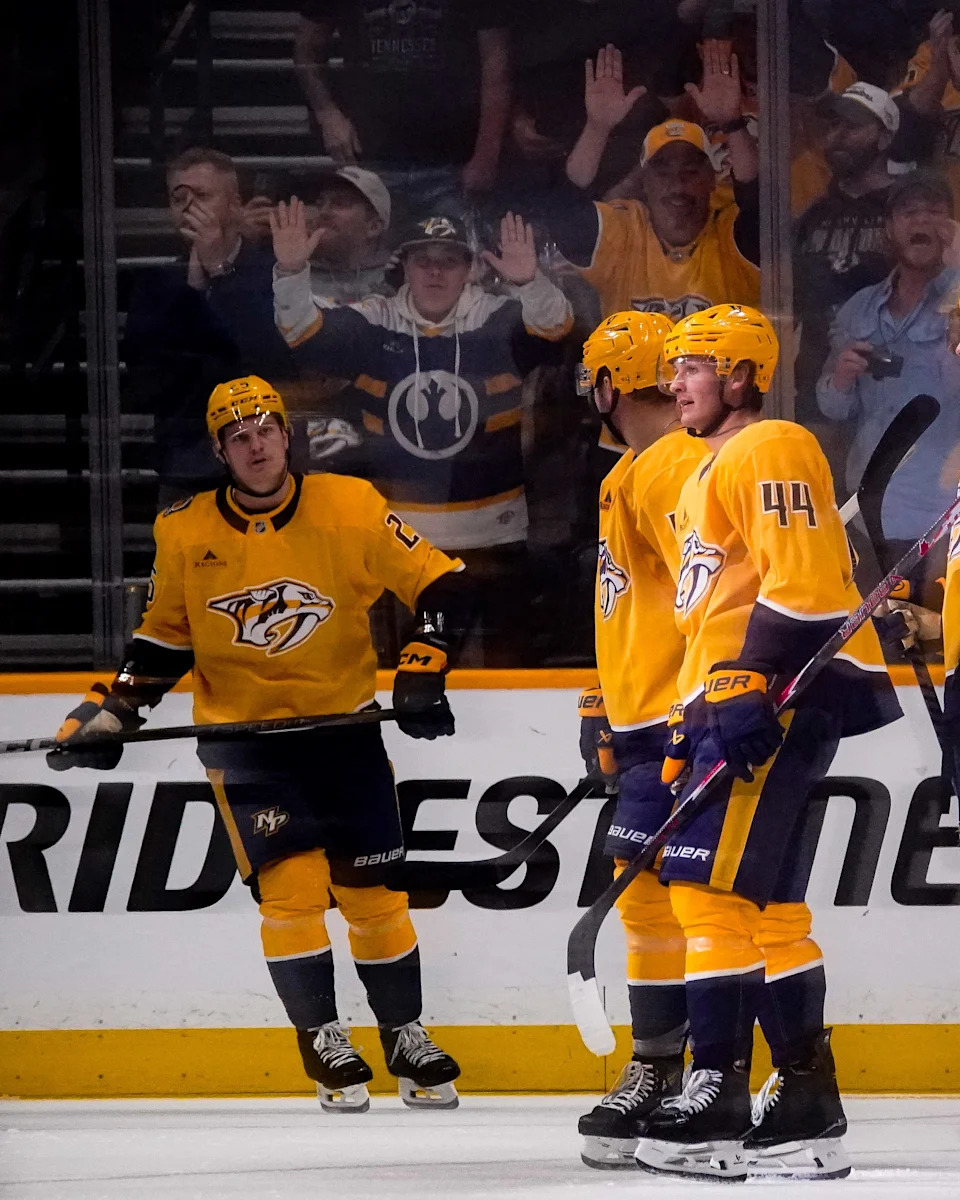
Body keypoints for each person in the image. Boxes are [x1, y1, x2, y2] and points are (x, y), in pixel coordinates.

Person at [47, 375, 466, 1114]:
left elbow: (443, 585)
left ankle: (404, 1033)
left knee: (376, 898)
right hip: (247, 746)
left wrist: (426, 664)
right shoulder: (184, 530)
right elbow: (164, 638)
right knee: (294, 894)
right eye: (238, 436)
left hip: (345, 734)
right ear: (221, 451)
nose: (255, 444)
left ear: (286, 434)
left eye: (265, 428)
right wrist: (114, 709)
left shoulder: (349, 506)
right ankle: (324, 1037)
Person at [632, 304, 901, 1181]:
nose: (675, 384)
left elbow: (808, 579)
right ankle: (805, 1107)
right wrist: (696, 703)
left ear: (742, 374)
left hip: (771, 695)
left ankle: (716, 1095)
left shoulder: (769, 443)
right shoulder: (716, 465)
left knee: (707, 899)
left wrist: (747, 677)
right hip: (738, 695)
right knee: (768, 911)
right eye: (673, 369)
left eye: (693, 368)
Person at [270, 203, 573, 663]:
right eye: (422, 259)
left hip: (495, 541)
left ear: (468, 269)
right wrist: (291, 272)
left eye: (448, 260)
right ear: (405, 266)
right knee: (408, 665)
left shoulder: (497, 319)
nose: (435, 271)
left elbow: (554, 327)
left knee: (503, 671)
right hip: (401, 545)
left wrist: (530, 281)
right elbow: (303, 332)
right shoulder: (376, 321)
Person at [574, 310, 705, 1168]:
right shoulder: (632, 470)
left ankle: (710, 1078)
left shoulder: (667, 471)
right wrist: (600, 699)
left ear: (611, 384)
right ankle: (661, 1069)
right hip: (642, 717)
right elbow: (627, 603)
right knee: (650, 903)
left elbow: (713, 596)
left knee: (704, 908)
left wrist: (699, 704)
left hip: (681, 720)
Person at [541, 42, 760, 321]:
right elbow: (563, 214)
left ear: (712, 181)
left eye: (690, 172)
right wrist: (597, 128)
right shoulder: (625, 233)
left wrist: (731, 122)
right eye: (663, 172)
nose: (677, 184)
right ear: (643, 182)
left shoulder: (730, 238)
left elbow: (758, 206)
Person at [125, 148, 293, 505]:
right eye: (178, 198)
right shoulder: (156, 285)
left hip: (267, 465)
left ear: (234, 204)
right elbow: (147, 385)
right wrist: (192, 295)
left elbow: (270, 361)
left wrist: (220, 272)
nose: (188, 207)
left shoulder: (275, 272)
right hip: (187, 468)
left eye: (201, 196)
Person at [816, 171, 960, 549]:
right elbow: (832, 407)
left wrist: (959, 269)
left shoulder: (959, 296)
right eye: (909, 212)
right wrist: (842, 379)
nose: (922, 221)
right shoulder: (859, 308)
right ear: (889, 230)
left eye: (934, 211)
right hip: (869, 514)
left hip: (946, 518)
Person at [293, 0, 512, 215]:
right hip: (371, 157)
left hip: (454, 161)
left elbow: (496, 63)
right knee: (372, 250)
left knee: (455, 249)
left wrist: (486, 154)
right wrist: (328, 115)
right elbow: (306, 49)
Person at [793, 81, 905, 422]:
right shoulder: (813, 213)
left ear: (884, 138)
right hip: (818, 385)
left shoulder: (906, 209)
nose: (838, 136)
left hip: (892, 386)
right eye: (834, 125)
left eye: (853, 126)